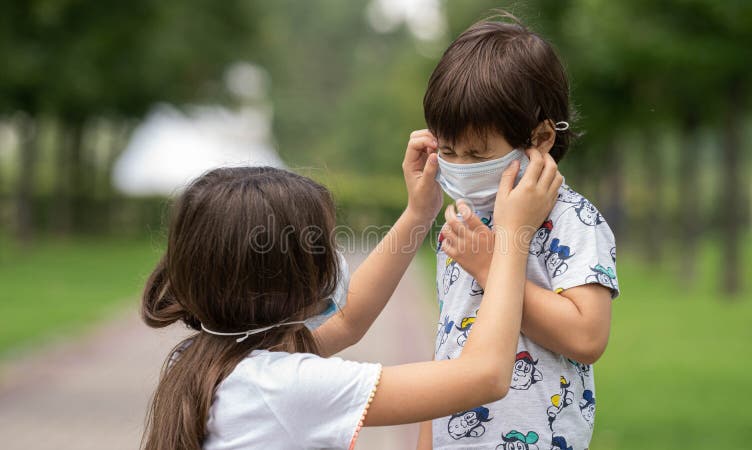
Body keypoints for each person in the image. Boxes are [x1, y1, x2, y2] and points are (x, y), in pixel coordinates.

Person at [140, 135, 563, 449]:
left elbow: (349, 318)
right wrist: (514, 235)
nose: (336, 256)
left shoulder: (214, 358)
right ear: (286, 278)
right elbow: (484, 376)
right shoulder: (288, 388)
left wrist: (420, 210)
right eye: (324, 246)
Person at [416, 13, 620, 450]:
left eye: (477, 152)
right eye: (449, 150)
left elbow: (587, 337)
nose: (461, 167)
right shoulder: (463, 219)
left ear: (542, 137)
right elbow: (449, 340)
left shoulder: (572, 219)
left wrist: (493, 266)